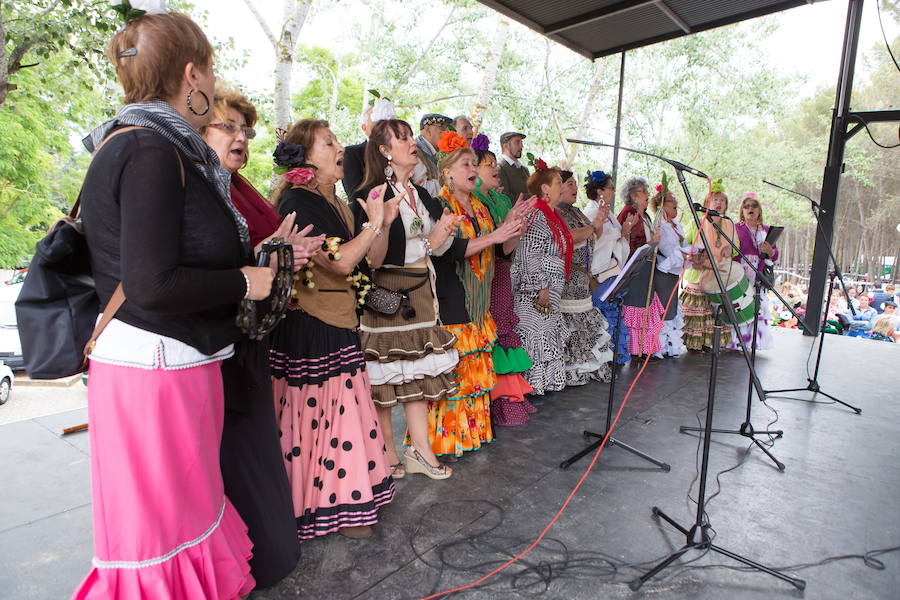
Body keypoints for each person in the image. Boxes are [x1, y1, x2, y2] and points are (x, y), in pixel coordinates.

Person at [74, 10, 262, 598]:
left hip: (174, 360)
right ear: (192, 76)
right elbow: (152, 284)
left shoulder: (160, 146)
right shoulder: (150, 151)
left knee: (185, 521)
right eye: (210, 71)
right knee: (159, 536)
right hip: (153, 365)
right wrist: (244, 282)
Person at [202, 84, 322, 587]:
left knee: (254, 452)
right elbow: (208, 263)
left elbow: (259, 253)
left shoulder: (237, 185)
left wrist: (281, 256)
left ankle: (263, 553)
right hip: (215, 341)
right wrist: (271, 254)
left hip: (251, 337)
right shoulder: (200, 186)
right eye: (227, 127)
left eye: (245, 130)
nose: (240, 138)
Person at [269, 119, 396, 539]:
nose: (340, 147)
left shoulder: (336, 201)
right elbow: (339, 262)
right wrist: (372, 224)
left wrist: (385, 221)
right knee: (321, 423)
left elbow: (369, 262)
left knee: (340, 419)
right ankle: (326, 507)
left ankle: (344, 503)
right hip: (311, 325)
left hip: (340, 319)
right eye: (329, 143)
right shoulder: (297, 202)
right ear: (306, 157)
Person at [352, 119, 462, 480]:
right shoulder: (371, 193)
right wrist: (425, 237)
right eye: (402, 138)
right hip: (389, 296)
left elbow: (435, 250)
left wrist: (444, 233)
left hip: (421, 291)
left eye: (411, 136)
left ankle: (420, 449)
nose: (411, 142)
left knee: (416, 374)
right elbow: (375, 259)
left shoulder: (421, 193)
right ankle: (388, 453)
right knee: (384, 376)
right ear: (384, 151)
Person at [427, 135, 524, 456]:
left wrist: (512, 228)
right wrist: (497, 234)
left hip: (481, 304)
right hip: (453, 299)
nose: (472, 168)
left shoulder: (481, 206)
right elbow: (447, 251)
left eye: (473, 163)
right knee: (455, 375)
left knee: (476, 376)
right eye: (465, 164)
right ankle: (446, 441)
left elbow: (500, 252)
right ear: (448, 172)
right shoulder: (440, 205)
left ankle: (471, 436)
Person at [472, 141, 538, 426]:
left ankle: (506, 403)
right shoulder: (471, 199)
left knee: (503, 328)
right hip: (477, 275)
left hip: (501, 272)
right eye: (488, 164)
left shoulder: (499, 201)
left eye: (492, 163)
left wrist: (517, 227)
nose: (495, 169)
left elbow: (505, 249)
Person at [512, 162, 572, 399]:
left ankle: (544, 382)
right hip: (536, 291)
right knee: (535, 335)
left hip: (550, 287)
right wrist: (541, 286)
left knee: (546, 334)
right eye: (559, 183)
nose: (562, 186)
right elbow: (528, 253)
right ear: (545, 189)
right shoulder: (537, 214)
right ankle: (532, 384)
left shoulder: (552, 214)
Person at [556, 170, 613, 384]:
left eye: (575, 184)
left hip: (582, 278)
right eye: (570, 184)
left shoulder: (576, 211)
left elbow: (593, 235)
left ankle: (586, 370)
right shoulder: (556, 213)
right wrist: (594, 225)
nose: (575, 189)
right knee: (571, 324)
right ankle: (571, 372)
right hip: (568, 278)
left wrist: (598, 222)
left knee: (585, 324)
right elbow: (568, 237)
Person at [680, 180, 737, 350]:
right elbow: (684, 244)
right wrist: (696, 254)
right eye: (715, 200)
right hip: (699, 273)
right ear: (706, 203)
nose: (718, 204)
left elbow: (736, 248)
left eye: (722, 200)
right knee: (698, 309)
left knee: (715, 311)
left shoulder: (728, 223)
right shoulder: (695, 222)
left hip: (720, 274)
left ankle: (711, 343)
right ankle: (694, 345)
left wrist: (730, 250)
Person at [583, 170, 631, 364]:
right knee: (601, 316)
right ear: (600, 191)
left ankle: (614, 355)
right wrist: (617, 235)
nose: (613, 191)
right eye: (610, 187)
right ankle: (600, 360)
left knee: (613, 313)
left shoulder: (608, 213)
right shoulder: (591, 212)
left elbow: (615, 237)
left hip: (612, 270)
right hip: (600, 272)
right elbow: (594, 241)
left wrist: (623, 233)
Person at [617, 177, 664, 362]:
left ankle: (645, 347)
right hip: (635, 267)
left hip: (647, 266)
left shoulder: (645, 215)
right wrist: (649, 244)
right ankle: (633, 348)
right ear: (635, 194)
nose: (647, 195)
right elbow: (625, 243)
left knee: (646, 305)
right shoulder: (629, 213)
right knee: (636, 305)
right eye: (644, 191)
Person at [726, 193, 779, 351]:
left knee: (756, 307)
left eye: (754, 206)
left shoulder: (767, 230)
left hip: (759, 273)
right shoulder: (734, 228)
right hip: (740, 272)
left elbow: (775, 254)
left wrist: (770, 252)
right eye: (746, 206)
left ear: (759, 210)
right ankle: (736, 343)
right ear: (742, 210)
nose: (750, 209)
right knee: (740, 306)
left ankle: (751, 343)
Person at [650, 184, 689, 358]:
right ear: (662, 205)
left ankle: (669, 347)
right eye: (671, 200)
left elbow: (684, 246)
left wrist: (693, 252)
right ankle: (660, 347)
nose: (675, 203)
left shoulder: (676, 225)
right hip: (663, 272)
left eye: (675, 200)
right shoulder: (660, 226)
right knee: (663, 310)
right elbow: (666, 249)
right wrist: (685, 254)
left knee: (671, 309)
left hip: (675, 272)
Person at [342, 98, 396, 200]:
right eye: (377, 124)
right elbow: (356, 196)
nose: (384, 130)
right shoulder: (352, 154)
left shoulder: (400, 152)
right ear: (364, 128)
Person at [413, 113, 451, 196]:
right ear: (427, 130)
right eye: (442, 127)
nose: (447, 132)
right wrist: (451, 180)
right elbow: (424, 189)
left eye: (447, 128)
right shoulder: (415, 152)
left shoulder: (439, 152)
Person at [498, 131, 530, 201]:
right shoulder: (499, 168)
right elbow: (505, 198)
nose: (521, 146)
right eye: (517, 142)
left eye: (521, 142)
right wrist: (534, 197)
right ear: (505, 146)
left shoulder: (525, 169)